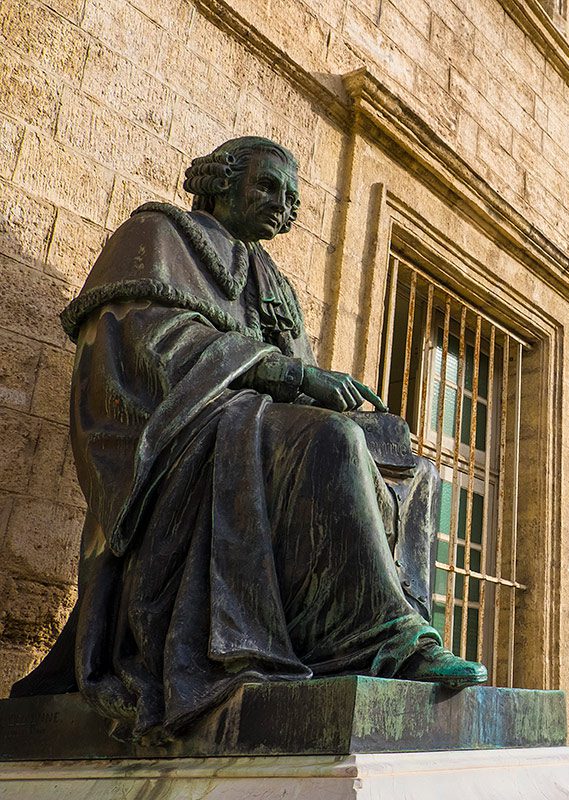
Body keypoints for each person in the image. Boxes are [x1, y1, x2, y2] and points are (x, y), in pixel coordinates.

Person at [11, 136, 486, 742]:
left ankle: (357, 630)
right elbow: (142, 344)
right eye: (267, 187)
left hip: (257, 432)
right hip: (184, 438)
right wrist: (282, 373)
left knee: (406, 462)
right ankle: (384, 639)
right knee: (333, 442)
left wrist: (323, 389)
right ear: (220, 181)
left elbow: (299, 378)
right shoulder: (159, 237)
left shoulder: (272, 281)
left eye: (290, 199)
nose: (280, 207)